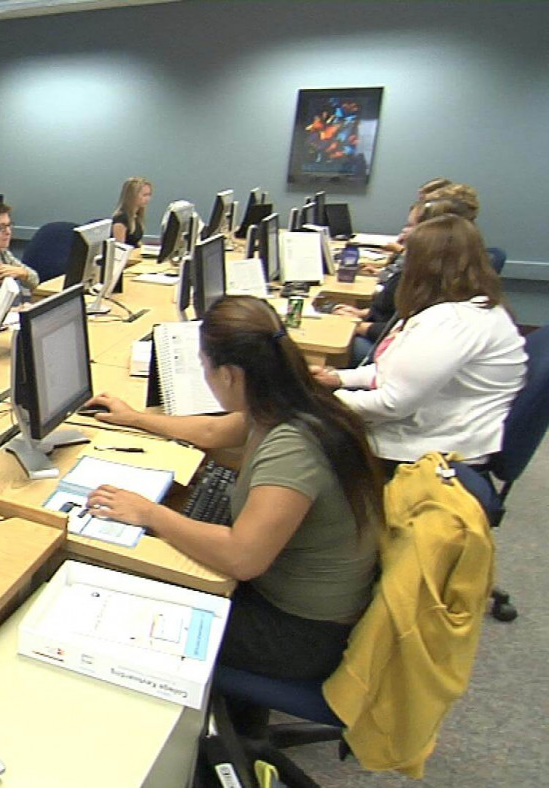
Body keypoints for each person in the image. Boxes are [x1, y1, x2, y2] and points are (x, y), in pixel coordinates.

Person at [84, 296, 385, 683]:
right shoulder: (287, 399)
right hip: (295, 599)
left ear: (229, 374)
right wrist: (134, 419)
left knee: (119, 601)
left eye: (205, 366)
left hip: (299, 634)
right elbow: (211, 432)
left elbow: (243, 558)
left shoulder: (293, 446)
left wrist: (150, 513)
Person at [312, 215, 525, 466]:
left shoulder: (453, 322)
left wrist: (315, 397)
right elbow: (394, 371)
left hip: (429, 450)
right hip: (436, 427)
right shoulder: (465, 307)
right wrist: (338, 377)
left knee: (295, 434)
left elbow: (392, 403)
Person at [334, 184, 481, 362]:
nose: (403, 234)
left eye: (411, 226)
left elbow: (402, 331)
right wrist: (362, 314)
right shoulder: (447, 266)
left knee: (332, 340)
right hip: (392, 344)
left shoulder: (432, 278)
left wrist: (359, 326)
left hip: (391, 352)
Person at [111, 177, 152, 246]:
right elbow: (119, 249)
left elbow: (135, 242)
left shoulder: (136, 216)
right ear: (132, 196)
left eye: (149, 195)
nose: (148, 199)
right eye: (144, 195)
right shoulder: (121, 219)